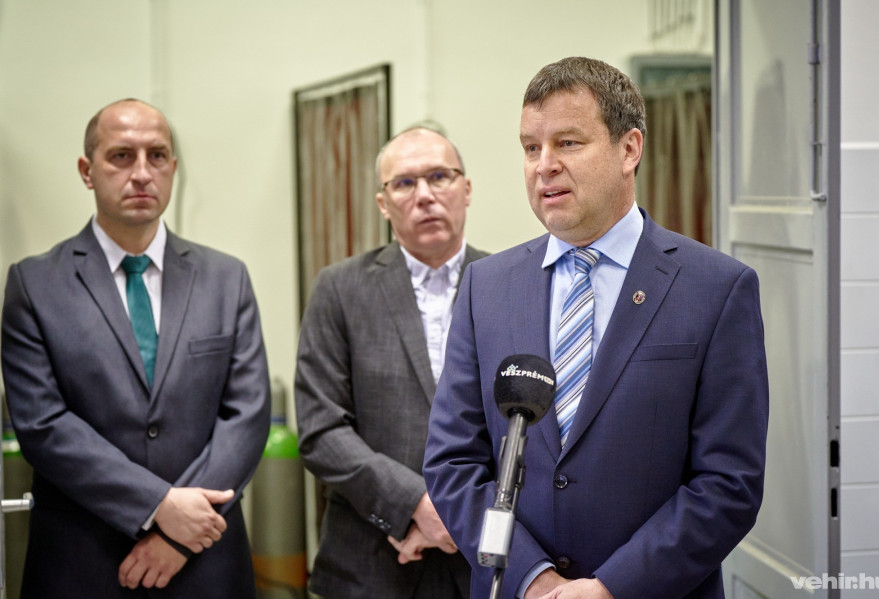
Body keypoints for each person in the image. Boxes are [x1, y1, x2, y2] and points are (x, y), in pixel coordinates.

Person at [423, 57, 768, 599]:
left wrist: (611, 587)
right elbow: (453, 463)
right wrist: (533, 578)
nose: (544, 166)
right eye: (530, 148)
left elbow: (729, 484)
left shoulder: (716, 288)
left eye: (568, 143)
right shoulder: (486, 287)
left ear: (629, 149)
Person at [0, 98, 270, 597]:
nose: (142, 173)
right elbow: (42, 424)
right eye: (121, 156)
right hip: (83, 562)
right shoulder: (34, 284)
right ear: (87, 171)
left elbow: (247, 415)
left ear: (173, 168)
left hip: (205, 561)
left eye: (157, 156)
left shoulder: (226, 279)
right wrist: (159, 506)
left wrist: (179, 536)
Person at [294, 126, 486, 598]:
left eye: (439, 176)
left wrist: (462, 516)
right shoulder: (340, 289)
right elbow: (321, 430)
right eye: (404, 183)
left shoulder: (511, 285)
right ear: (383, 204)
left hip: (481, 563)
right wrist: (415, 504)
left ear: (466, 189)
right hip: (371, 564)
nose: (424, 196)